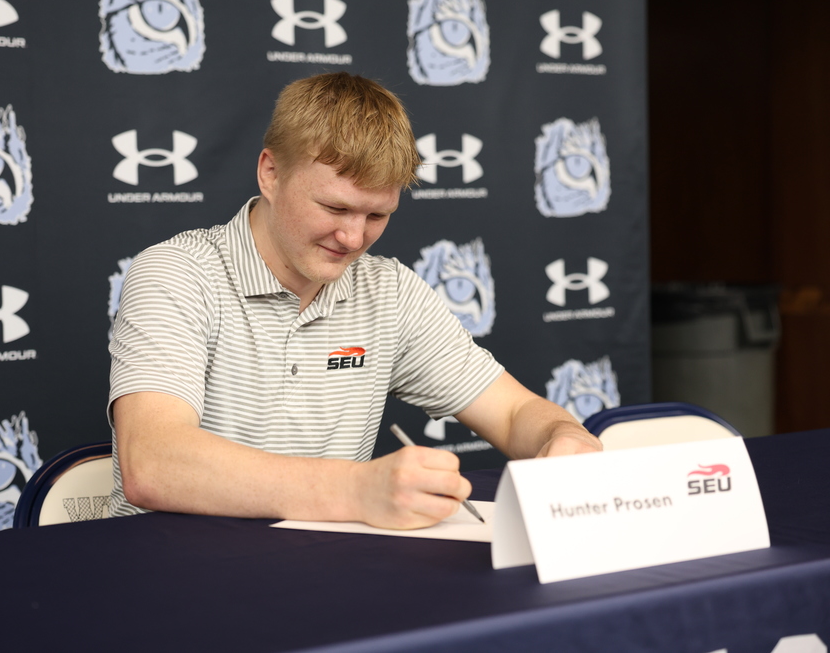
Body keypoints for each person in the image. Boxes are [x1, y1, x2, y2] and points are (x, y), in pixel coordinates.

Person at [107, 72, 601, 530]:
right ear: (271, 173)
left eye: (377, 215)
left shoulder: (389, 291)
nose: (352, 237)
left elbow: (515, 414)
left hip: (324, 578)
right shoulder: (177, 273)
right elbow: (153, 462)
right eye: (335, 207)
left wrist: (563, 436)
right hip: (174, 582)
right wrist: (358, 490)